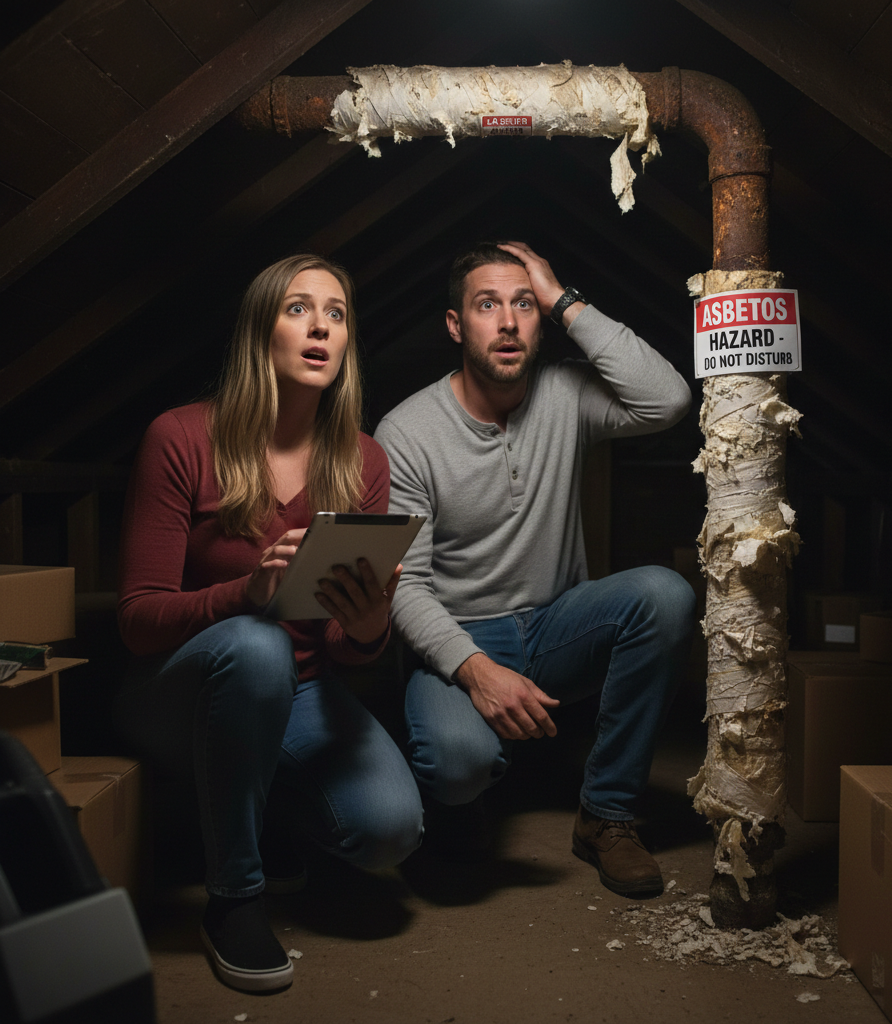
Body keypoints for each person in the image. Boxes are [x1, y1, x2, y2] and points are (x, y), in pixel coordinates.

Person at [114, 254, 422, 993]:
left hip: (304, 694)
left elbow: (347, 651)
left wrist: (374, 620)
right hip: (179, 687)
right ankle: (234, 900)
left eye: (336, 313)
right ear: (261, 332)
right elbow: (136, 621)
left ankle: (257, 815)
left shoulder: (364, 459)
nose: (320, 325)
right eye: (297, 308)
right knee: (255, 647)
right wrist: (247, 592)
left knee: (390, 830)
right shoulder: (181, 437)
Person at [373, 241, 696, 898]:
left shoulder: (565, 394)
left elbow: (667, 400)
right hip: (462, 637)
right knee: (459, 763)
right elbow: (405, 585)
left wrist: (563, 297)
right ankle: (458, 808)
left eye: (524, 304)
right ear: (456, 325)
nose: (509, 322)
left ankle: (606, 813)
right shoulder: (405, 432)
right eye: (487, 305)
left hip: (556, 624)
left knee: (665, 595)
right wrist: (476, 671)